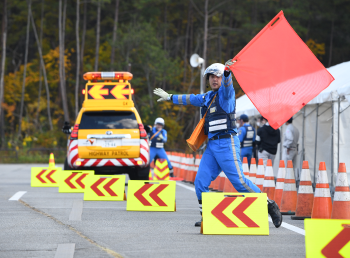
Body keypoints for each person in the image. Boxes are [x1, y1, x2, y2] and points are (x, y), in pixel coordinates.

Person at [153, 61, 282, 228]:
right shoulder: (207, 97)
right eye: (212, 76)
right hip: (212, 147)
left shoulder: (226, 95)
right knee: (200, 182)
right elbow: (190, 99)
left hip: (227, 144)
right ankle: (207, 215)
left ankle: (269, 205)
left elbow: (228, 85)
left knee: (239, 183)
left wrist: (227, 72)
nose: (215, 79)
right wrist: (170, 97)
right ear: (208, 79)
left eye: (218, 76)